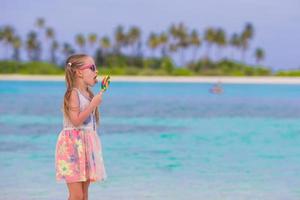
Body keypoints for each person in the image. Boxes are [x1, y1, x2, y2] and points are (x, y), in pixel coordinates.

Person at [55, 54, 107, 200]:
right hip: (72, 148)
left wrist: (93, 102)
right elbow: (76, 121)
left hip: (86, 147)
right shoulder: (73, 93)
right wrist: (93, 105)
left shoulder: (89, 94)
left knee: (84, 195)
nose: (96, 71)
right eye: (92, 68)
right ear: (79, 72)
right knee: (76, 195)